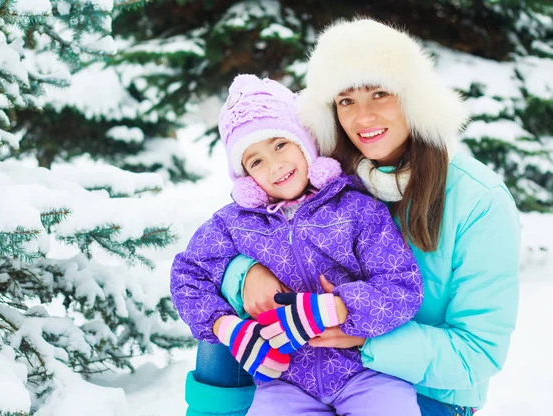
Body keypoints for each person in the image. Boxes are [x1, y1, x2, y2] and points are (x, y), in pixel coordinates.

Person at [185, 18, 521, 416]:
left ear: (412, 97)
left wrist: (360, 336)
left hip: (424, 388)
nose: (363, 118)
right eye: (346, 101)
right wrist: (245, 276)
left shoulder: (478, 201)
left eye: (380, 93)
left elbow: (478, 353)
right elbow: (226, 247)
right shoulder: (323, 173)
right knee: (222, 327)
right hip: (302, 372)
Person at [171, 73, 425, 415]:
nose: (275, 165)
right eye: (256, 160)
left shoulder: (356, 208)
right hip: (284, 383)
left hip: (367, 373)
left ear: (305, 142)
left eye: (280, 145)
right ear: (245, 176)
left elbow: (401, 287)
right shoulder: (234, 223)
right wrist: (226, 327)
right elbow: (187, 274)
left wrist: (333, 308)